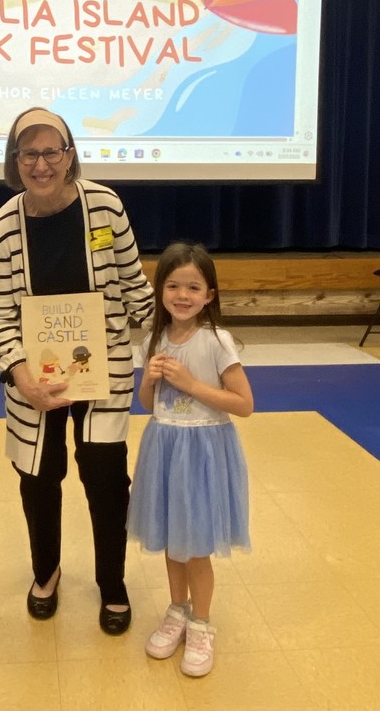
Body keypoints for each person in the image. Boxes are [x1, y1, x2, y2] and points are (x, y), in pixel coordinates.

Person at [0, 108, 154, 635]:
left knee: (106, 480)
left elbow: (133, 283)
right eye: (29, 153)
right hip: (35, 381)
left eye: (50, 151)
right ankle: (46, 572)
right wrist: (19, 373)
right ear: (16, 161)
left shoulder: (105, 206)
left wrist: (181, 338)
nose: (41, 164)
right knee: (39, 477)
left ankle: (113, 583)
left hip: (102, 371)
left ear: (70, 154)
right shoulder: (1, 226)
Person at [127, 241, 253, 677]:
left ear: (209, 295)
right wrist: (150, 379)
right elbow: (148, 403)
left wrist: (191, 382)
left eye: (193, 287)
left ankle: (201, 623)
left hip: (202, 452)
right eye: (173, 285)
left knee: (196, 548)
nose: (182, 295)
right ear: (160, 289)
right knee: (171, 541)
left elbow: (243, 404)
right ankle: (177, 610)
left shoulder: (217, 340)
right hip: (164, 447)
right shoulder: (154, 339)